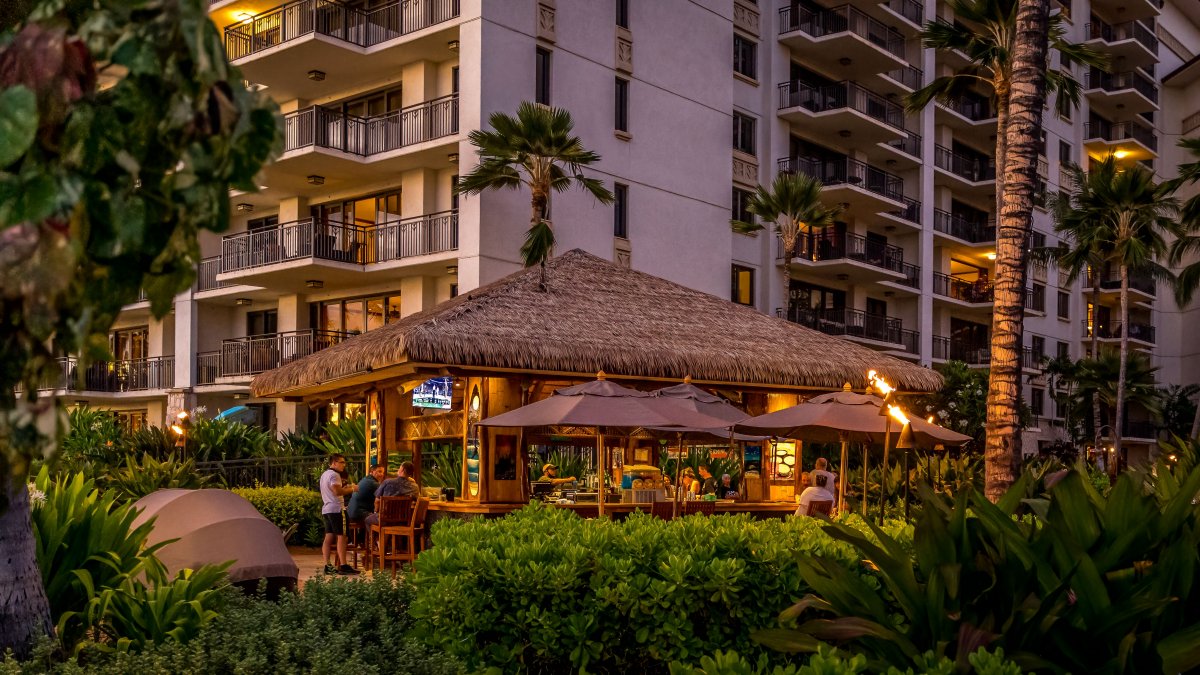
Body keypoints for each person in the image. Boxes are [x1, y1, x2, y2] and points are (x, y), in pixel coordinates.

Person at [319, 454, 359, 575]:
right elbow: (337, 491)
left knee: (328, 537)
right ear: (334, 463)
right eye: (342, 462)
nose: (344, 465)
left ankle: (327, 565)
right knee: (342, 536)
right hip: (337, 509)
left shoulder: (325, 474)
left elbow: (333, 489)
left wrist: (344, 487)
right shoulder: (334, 474)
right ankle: (343, 565)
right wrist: (353, 488)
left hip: (327, 509)